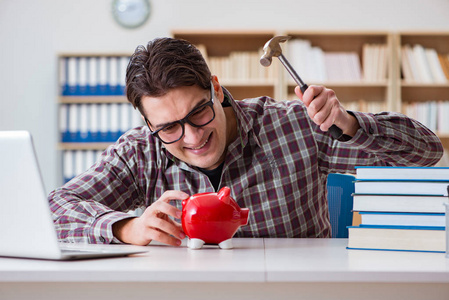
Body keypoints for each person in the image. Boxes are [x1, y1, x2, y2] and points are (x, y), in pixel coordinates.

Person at [48, 37, 443, 247]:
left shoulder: (296, 126)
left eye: (198, 113)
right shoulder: (140, 150)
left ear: (216, 88)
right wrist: (124, 227)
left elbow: (427, 152)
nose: (192, 137)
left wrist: (348, 123)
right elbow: (51, 211)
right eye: (169, 128)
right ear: (148, 123)